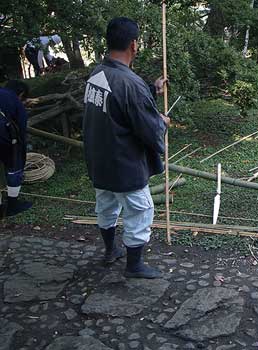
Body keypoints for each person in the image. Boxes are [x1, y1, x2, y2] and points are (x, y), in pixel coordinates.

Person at [83, 17, 168, 279]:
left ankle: (111, 250)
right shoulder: (130, 84)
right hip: (124, 163)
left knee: (106, 206)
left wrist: (151, 91)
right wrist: (162, 123)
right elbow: (149, 129)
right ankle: (134, 265)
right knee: (141, 211)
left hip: (100, 160)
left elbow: (120, 108)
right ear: (134, 44)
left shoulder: (97, 73)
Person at [0, 80, 32, 218]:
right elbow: (21, 130)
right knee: (15, 166)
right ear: (21, 94)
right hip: (2, 136)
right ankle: (13, 205)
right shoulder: (15, 100)